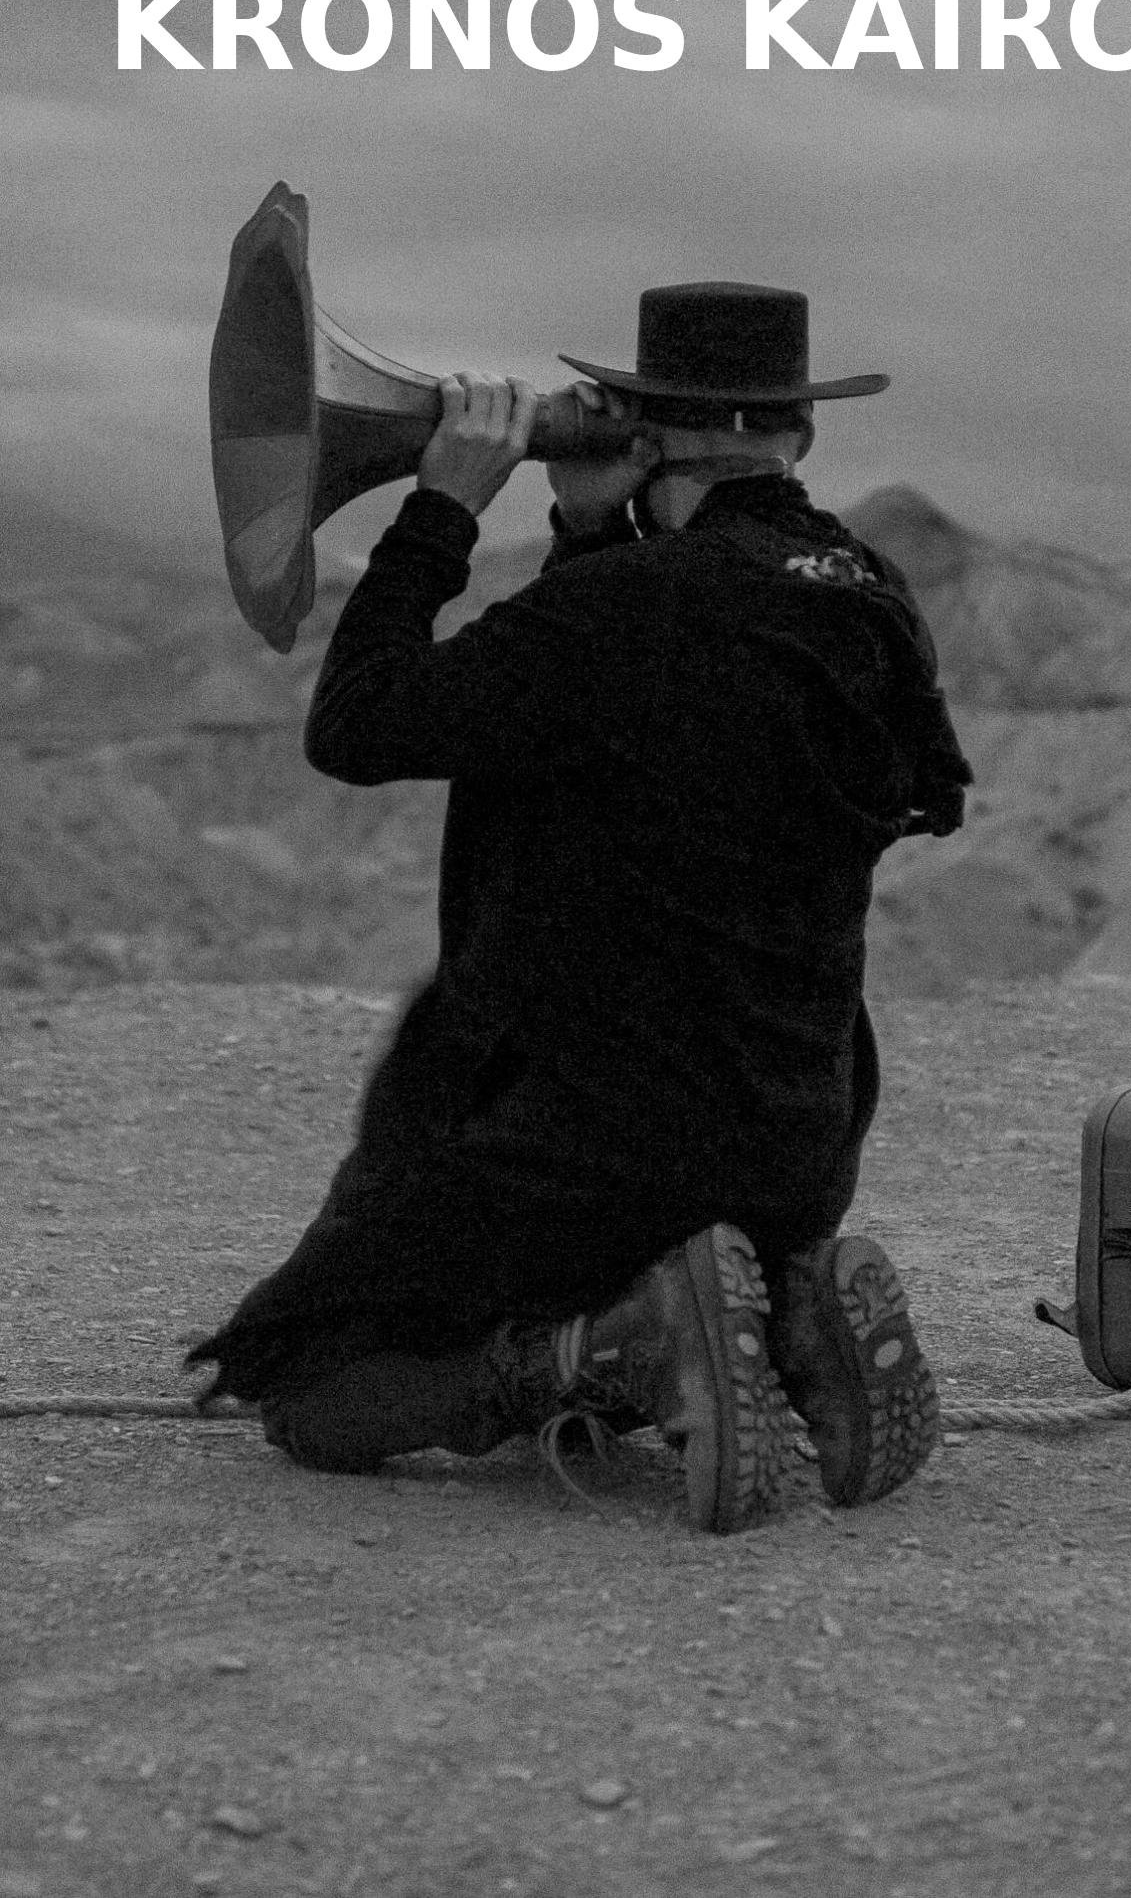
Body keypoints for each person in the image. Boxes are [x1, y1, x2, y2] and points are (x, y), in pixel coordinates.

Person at [186, 282, 973, 1534]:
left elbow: (359, 725)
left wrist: (442, 505)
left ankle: (611, 1341)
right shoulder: (871, 597)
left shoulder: (625, 612)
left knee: (312, 1387)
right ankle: (785, 1312)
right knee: (677, 1268)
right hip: (798, 1141)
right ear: (800, 433)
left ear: (644, 435)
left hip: (593, 1148)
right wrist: (591, 529)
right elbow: (627, 718)